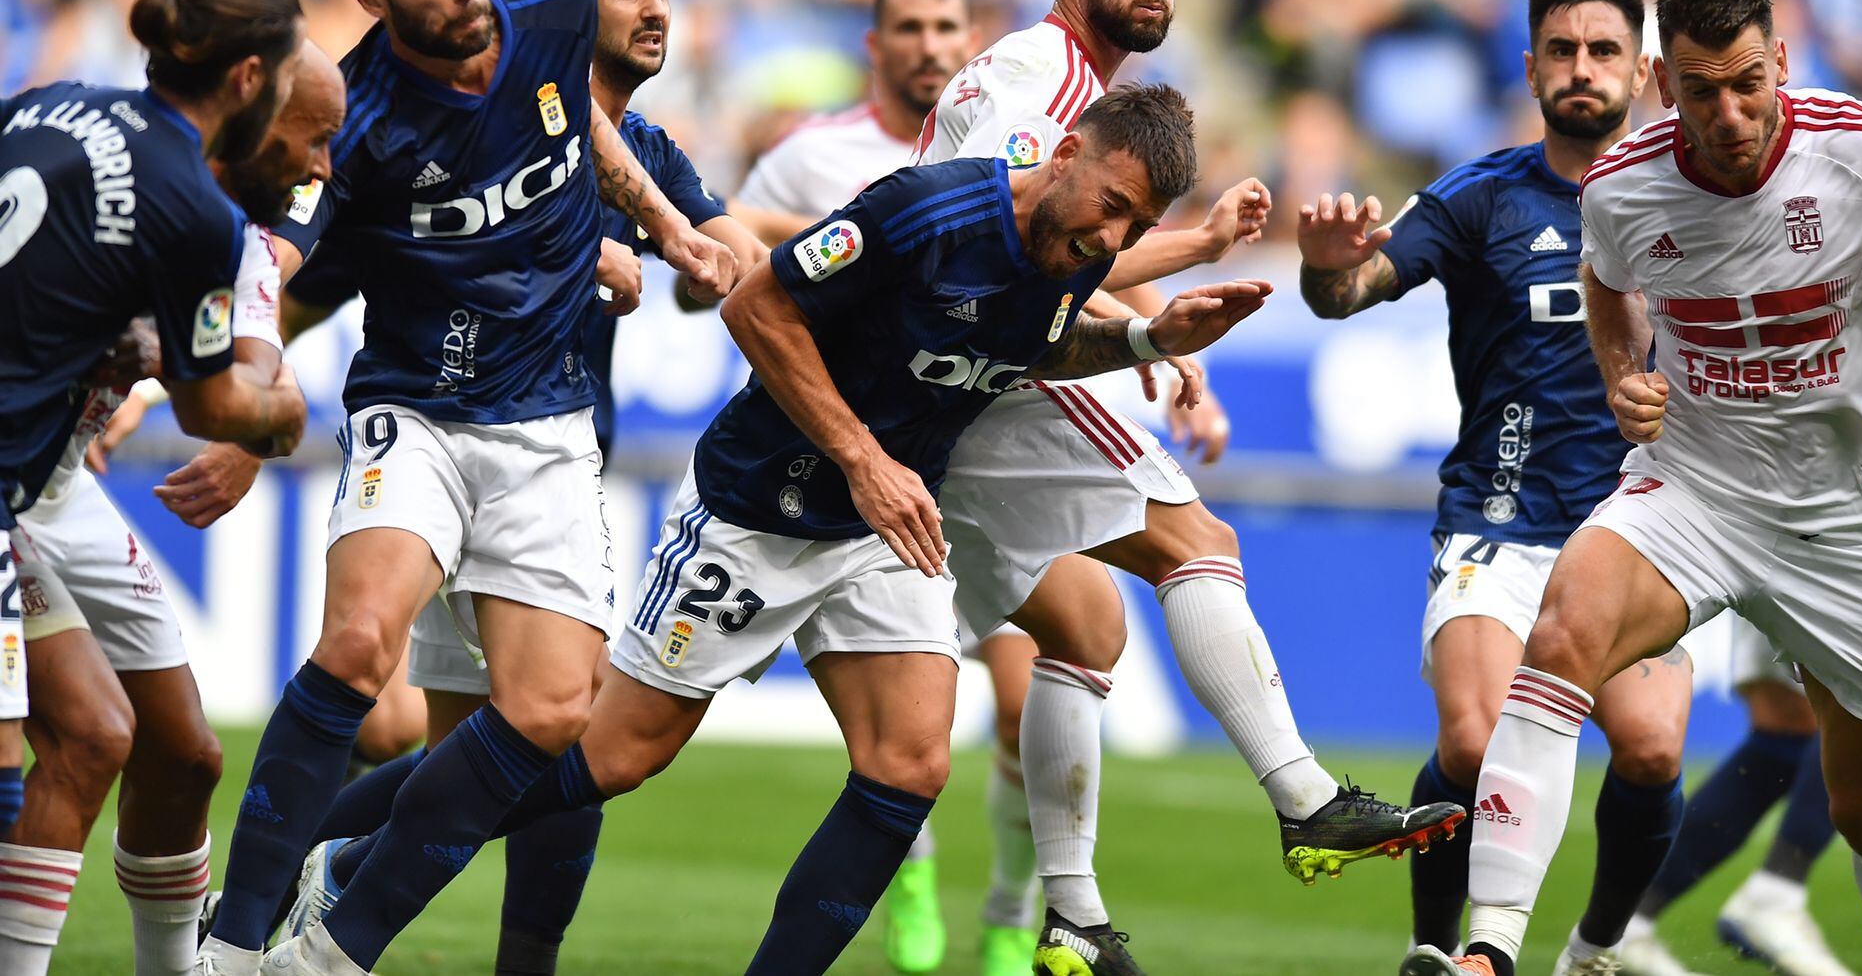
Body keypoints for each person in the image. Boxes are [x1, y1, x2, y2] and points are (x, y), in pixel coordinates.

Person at [268, 85, 1261, 976]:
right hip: (761, 504)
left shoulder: (1066, 247)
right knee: (608, 754)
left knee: (907, 762)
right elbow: (757, 304)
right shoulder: (925, 206)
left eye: (1136, 224)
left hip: (884, 525)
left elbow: (1036, 342)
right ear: (1068, 149)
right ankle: (339, 879)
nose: (1111, 237)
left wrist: (1143, 335)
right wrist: (863, 458)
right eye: (1111, 204)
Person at [1400, 0, 1862, 976]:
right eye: (1701, 89)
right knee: (1564, 625)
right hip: (1694, 490)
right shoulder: (1623, 184)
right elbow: (1606, 286)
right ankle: (1488, 951)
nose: (1729, 111)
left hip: (1849, 522)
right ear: (1663, 85)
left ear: (1780, 61)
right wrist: (1622, 377)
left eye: (1748, 81)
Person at [911, 0, 1462, 976]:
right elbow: (1019, 250)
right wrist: (1195, 259)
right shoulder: (1039, 76)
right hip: (986, 374)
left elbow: (1048, 248)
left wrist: (1157, 327)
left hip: (938, 385)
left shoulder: (1053, 78)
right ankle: (1302, 796)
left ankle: (1069, 917)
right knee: (1197, 544)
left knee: (1082, 629)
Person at [195, 0, 739, 976]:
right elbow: (283, 267)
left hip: (547, 430)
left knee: (547, 717)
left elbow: (580, 117)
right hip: (420, 408)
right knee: (358, 647)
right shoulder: (354, 119)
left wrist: (669, 225)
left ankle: (327, 951)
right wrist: (239, 399)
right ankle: (229, 938)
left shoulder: (545, 4)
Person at [1296, 0, 1690, 976]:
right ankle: (1434, 947)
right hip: (1499, 517)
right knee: (1474, 746)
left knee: (1648, 748)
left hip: (1644, 523)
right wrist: (1324, 264)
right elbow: (1350, 291)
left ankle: (1594, 949)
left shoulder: (1697, 198)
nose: (1581, 67)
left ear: (1641, 70)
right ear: (1527, 66)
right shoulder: (1480, 197)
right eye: (1560, 49)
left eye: (1602, 49)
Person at [1620, 66, 1862, 976]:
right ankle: (1745, 898)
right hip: (1778, 517)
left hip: (1851, 526)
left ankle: (1667, 912)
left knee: (1804, 742)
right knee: (1810, 741)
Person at [0, 0, 316, 974]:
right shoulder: (192, 206)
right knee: (57, 739)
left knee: (145, 741)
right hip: (15, 472)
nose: (313, 161)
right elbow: (218, 402)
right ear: (248, 81)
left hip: (41, 475)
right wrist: (283, 419)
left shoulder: (52, 101)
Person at [736, 0, 1042, 975]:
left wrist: (1170, 361)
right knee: (896, 735)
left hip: (982, 471)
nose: (928, 44)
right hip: (856, 480)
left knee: (1029, 697)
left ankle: (1009, 910)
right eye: (907, 27)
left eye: (945, 27)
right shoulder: (810, 157)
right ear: (876, 43)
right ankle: (908, 866)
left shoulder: (1007, 149)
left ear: (970, 43)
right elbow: (727, 268)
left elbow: (1062, 279)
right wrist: (802, 242)